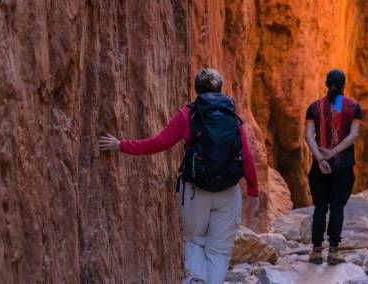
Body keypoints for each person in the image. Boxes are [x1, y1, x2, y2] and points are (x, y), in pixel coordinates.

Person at [98, 68, 259, 284]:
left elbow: (159, 143)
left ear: (196, 89)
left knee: (194, 241)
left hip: (195, 191)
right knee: (219, 250)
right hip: (228, 193)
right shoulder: (233, 118)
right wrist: (253, 191)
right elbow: (247, 156)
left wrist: (121, 145)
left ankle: (195, 280)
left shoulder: (188, 114)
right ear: (220, 89)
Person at [304, 69, 362, 265]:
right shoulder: (352, 107)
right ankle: (334, 251)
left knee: (320, 207)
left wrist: (321, 158)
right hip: (343, 167)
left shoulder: (314, 107)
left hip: (319, 167)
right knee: (337, 208)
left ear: (326, 83)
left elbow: (308, 136)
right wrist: (335, 152)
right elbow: (354, 134)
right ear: (344, 85)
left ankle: (317, 251)